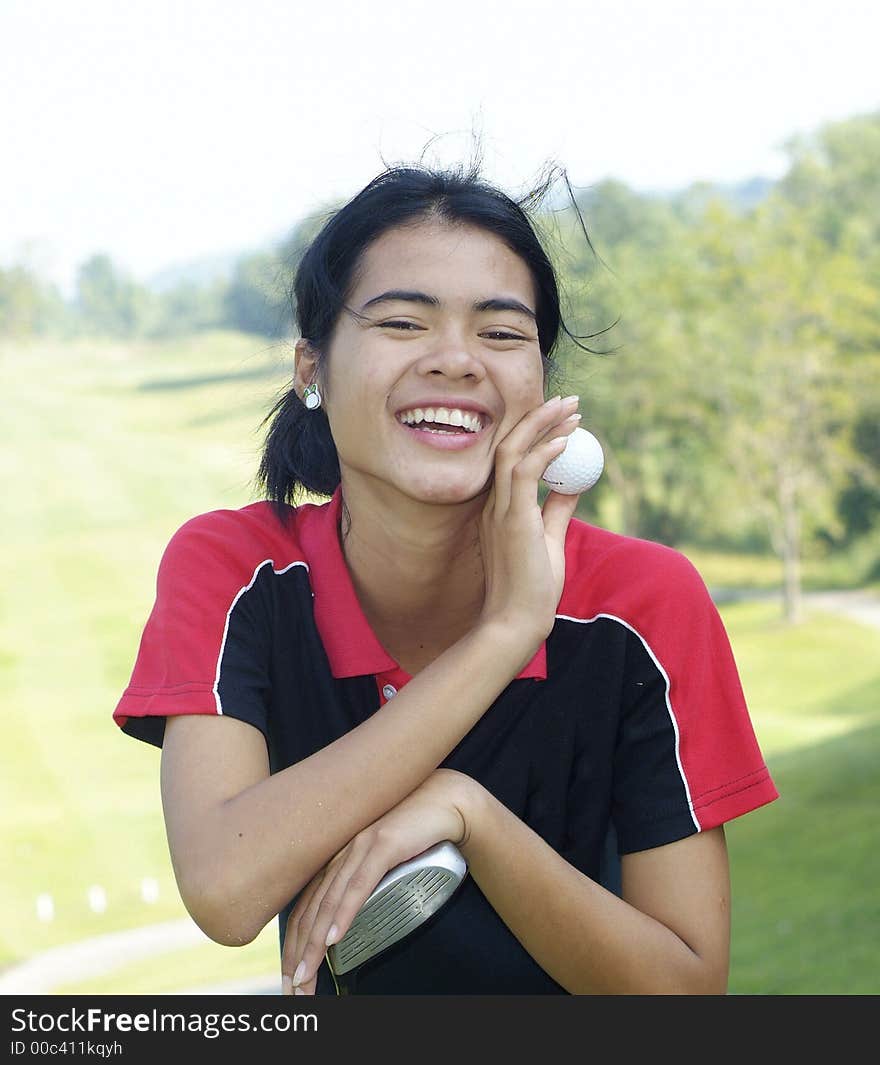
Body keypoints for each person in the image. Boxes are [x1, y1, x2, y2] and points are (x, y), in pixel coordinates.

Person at [112, 162, 778, 996]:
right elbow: (225, 887)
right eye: (402, 322)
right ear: (310, 367)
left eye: (501, 334)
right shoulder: (235, 570)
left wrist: (472, 817)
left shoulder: (642, 603)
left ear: (540, 380)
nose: (457, 360)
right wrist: (504, 635)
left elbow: (685, 996)